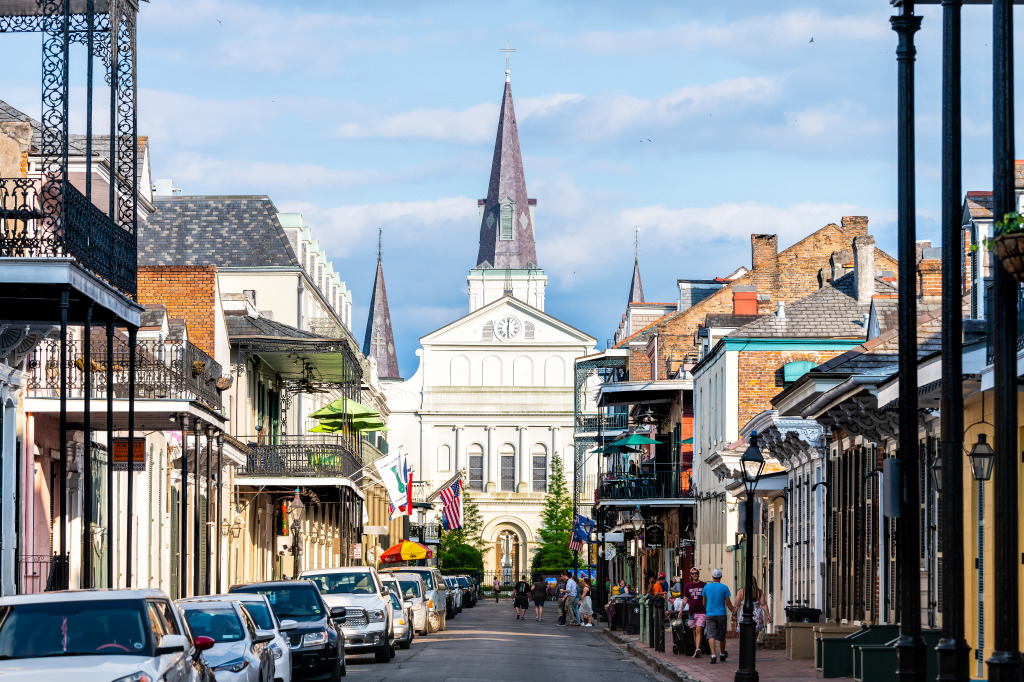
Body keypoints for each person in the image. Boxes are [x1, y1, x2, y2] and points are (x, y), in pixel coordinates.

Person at [702, 568, 735, 665]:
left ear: (712, 576)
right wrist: (733, 612)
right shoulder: (724, 587)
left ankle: (713, 655)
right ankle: (721, 653)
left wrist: (707, 609)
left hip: (710, 614)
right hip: (721, 614)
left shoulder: (707, 587)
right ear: (720, 577)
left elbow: (704, 601)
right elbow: (728, 602)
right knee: (721, 636)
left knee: (711, 635)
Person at [733, 577, 771, 644]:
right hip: (757, 615)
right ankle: (753, 650)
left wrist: (733, 614)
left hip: (745, 614)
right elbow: (763, 604)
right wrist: (768, 615)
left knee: (744, 636)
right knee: (754, 638)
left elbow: (736, 605)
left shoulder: (741, 592)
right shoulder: (759, 592)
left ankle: (746, 651)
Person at [682, 568, 706, 659]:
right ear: (691, 575)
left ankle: (697, 649)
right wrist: (681, 611)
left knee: (699, 630)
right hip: (691, 612)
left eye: (696, 573)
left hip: (702, 612)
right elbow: (685, 599)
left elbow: (707, 598)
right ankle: (697, 649)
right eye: (693, 573)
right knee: (694, 632)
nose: (695, 575)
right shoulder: (688, 586)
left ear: (698, 574)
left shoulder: (704, 585)